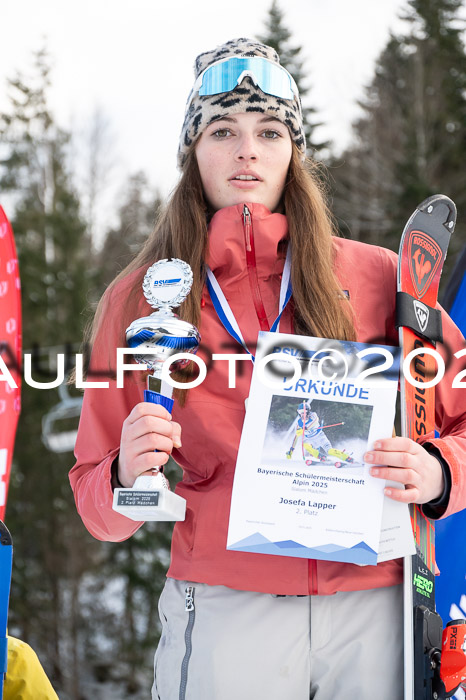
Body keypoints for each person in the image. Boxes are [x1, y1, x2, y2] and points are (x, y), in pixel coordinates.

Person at [70, 38, 466, 700]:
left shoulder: (381, 279)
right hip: (226, 602)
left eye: (270, 130)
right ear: (193, 151)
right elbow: (97, 505)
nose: (247, 149)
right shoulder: (142, 298)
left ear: (293, 150)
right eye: (222, 130)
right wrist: (122, 472)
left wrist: (439, 470)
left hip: (374, 604)